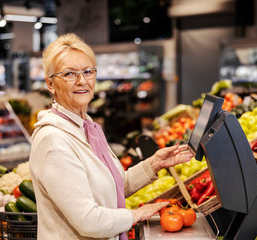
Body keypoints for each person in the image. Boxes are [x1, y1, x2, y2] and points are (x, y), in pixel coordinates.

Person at [29, 33, 194, 240]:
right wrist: (136, 214)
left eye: (88, 71)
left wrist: (154, 164)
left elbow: (109, 188)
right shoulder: (53, 141)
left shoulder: (86, 127)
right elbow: (88, 221)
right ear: (50, 84)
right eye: (69, 74)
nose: (82, 81)